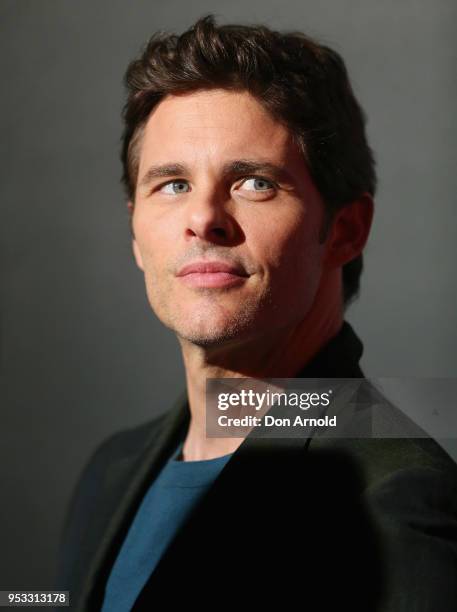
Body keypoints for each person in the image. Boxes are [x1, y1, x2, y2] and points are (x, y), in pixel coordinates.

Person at [55, 15, 457, 611]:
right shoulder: (109, 472)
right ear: (137, 236)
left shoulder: (395, 503)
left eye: (253, 183)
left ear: (346, 231)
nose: (203, 217)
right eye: (171, 185)